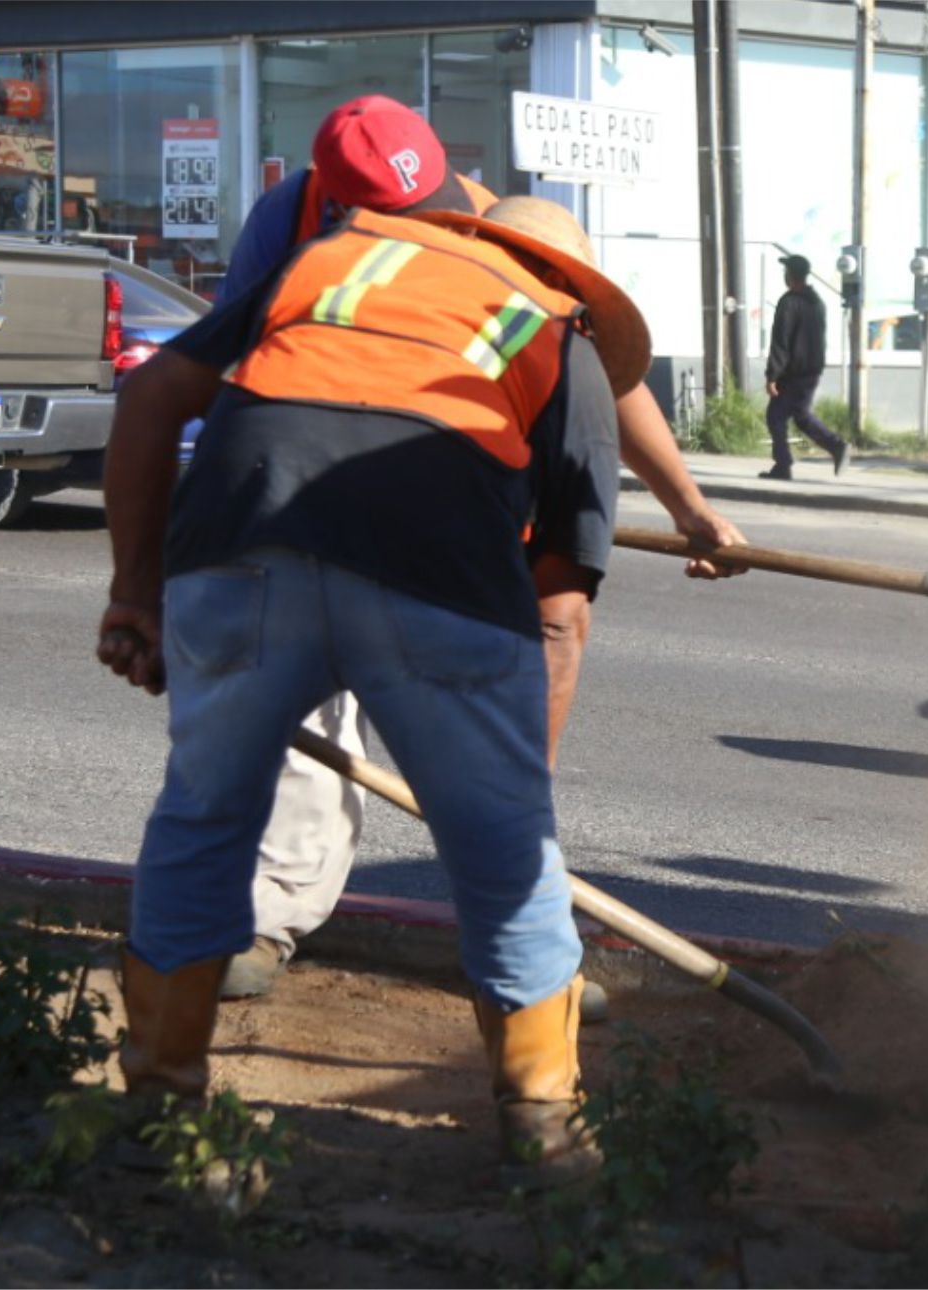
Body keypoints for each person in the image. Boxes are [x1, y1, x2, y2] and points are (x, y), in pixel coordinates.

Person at [98, 194, 646, 1185]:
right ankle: (547, 1133)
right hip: (436, 577)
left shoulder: (332, 259)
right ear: (570, 281)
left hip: (238, 549)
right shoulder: (556, 332)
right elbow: (559, 611)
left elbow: (149, 400)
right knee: (503, 859)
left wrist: (134, 594)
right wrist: (517, 793)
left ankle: (158, 1105)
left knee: (202, 820)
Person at [198, 97, 747, 1001]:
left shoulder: (535, 290)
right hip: (304, 510)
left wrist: (691, 509)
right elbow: (229, 369)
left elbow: (561, 605)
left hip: (454, 541)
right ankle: (268, 917)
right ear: (342, 207)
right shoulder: (292, 229)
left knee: (481, 758)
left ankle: (527, 969)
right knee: (310, 726)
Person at [760, 254, 849, 480]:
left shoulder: (789, 302)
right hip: (811, 370)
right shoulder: (816, 302)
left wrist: (772, 376)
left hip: (793, 373)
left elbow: (781, 341)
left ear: (791, 275)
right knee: (800, 415)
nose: (784, 275)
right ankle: (835, 447)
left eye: (786, 272)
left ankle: (784, 465)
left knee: (776, 415)